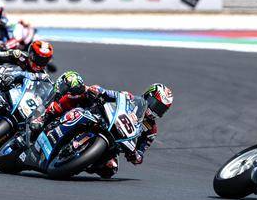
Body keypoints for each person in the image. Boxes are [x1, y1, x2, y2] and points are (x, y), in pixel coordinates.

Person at [30, 72, 173, 178]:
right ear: (148, 96)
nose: (155, 110)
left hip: (115, 144)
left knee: (110, 169)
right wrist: (101, 91)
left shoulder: (151, 131)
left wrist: (136, 156)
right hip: (100, 118)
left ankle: (75, 162)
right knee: (81, 97)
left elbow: (141, 153)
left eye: (161, 109)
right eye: (156, 105)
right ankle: (44, 117)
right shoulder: (130, 98)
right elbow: (114, 95)